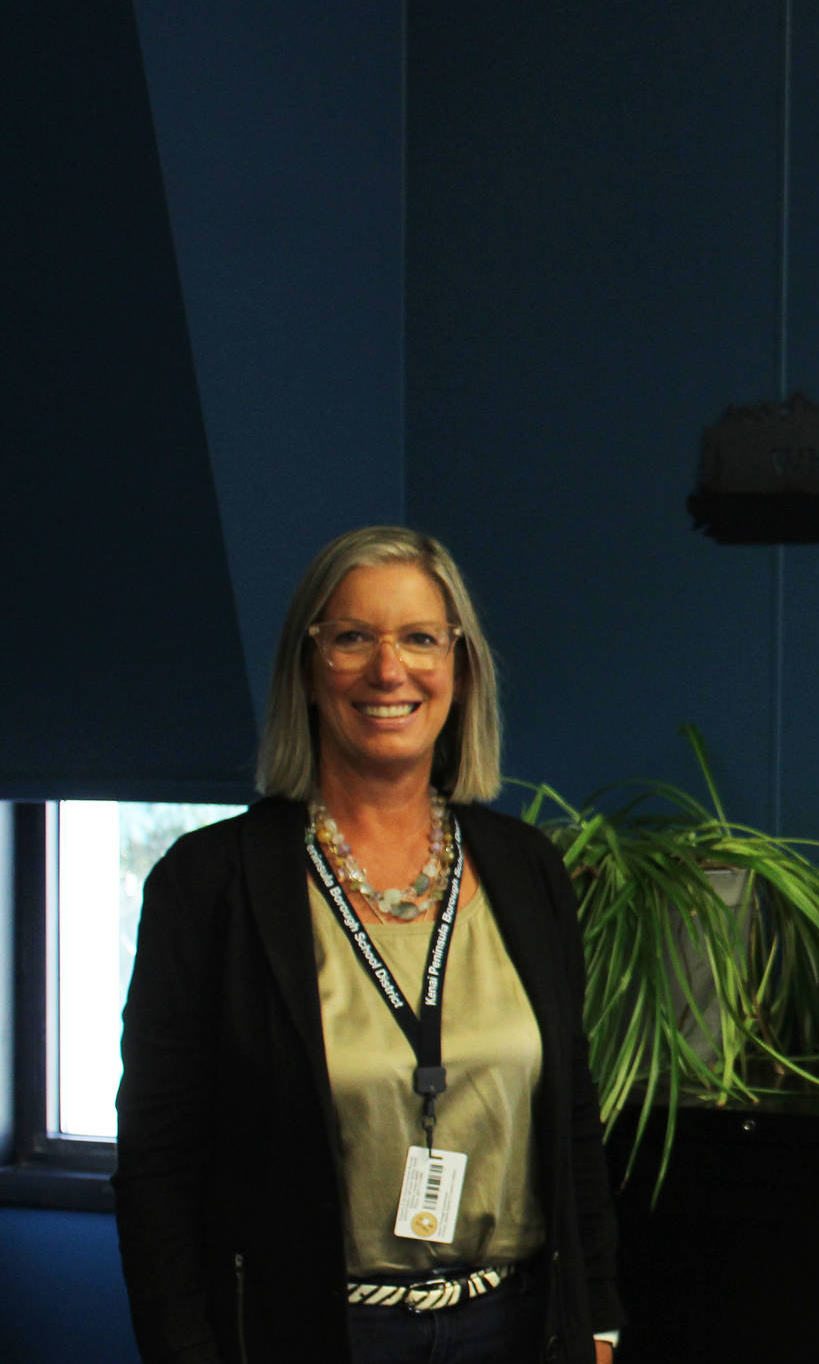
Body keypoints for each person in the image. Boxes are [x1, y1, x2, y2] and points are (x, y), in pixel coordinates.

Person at [114, 526, 624, 1363]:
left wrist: (598, 1323)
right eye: (353, 637)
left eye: (420, 638)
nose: (390, 670)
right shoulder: (210, 884)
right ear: (307, 668)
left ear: (458, 669)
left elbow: (571, 1121)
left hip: (518, 1327)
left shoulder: (527, 869)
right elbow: (157, 1169)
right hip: (311, 1333)